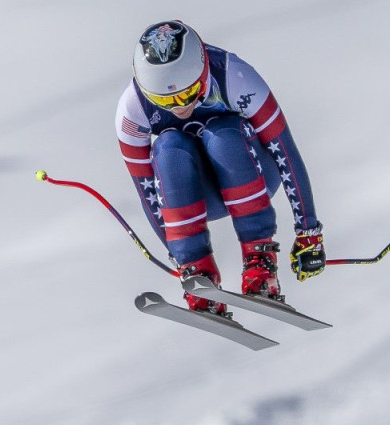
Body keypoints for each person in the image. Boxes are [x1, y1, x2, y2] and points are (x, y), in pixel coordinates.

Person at [115, 20, 325, 316]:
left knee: (222, 134)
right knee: (168, 147)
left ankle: (259, 260)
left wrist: (308, 232)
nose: (177, 107)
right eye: (162, 100)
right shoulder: (132, 110)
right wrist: (182, 260)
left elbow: (285, 153)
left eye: (187, 94)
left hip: (253, 175)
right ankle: (200, 274)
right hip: (198, 198)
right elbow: (148, 192)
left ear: (203, 72)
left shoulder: (234, 77)